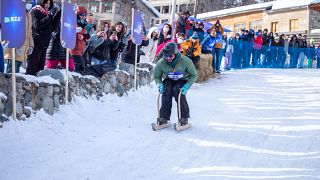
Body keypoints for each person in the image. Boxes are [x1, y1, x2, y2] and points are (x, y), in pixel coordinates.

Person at [154, 42, 197, 126]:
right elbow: (157, 76)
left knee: (178, 91)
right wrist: (159, 84)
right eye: (166, 56)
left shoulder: (185, 61)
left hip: (182, 80)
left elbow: (193, 75)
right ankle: (163, 117)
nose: (168, 58)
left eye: (170, 56)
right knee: (166, 91)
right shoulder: (161, 62)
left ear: (175, 53)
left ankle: (183, 118)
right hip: (169, 80)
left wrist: (187, 86)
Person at [26, 0, 60, 75]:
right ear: (42, 2)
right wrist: (50, 15)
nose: (47, 5)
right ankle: (29, 85)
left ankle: (37, 85)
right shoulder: (35, 11)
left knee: (40, 69)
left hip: (44, 44)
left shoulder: (46, 13)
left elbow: (52, 28)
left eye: (49, 3)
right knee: (32, 68)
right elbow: (37, 25)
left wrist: (57, 15)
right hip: (36, 44)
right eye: (46, 3)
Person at [70, 6, 90, 73]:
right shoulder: (72, 23)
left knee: (82, 68)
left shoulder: (84, 24)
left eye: (85, 15)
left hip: (81, 49)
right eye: (82, 15)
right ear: (77, 15)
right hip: (74, 49)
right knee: (80, 68)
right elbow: (68, 34)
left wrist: (84, 36)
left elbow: (87, 35)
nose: (84, 17)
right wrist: (78, 35)